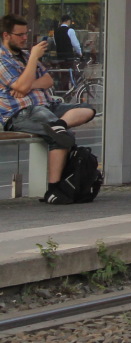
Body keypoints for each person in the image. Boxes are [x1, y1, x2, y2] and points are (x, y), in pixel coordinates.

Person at [0, 14, 96, 205]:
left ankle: (59, 125)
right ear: (6, 35)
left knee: (87, 109)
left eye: (25, 34)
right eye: (20, 35)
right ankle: (54, 190)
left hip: (48, 104)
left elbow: (47, 80)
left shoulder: (26, 56)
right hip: (22, 112)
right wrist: (34, 60)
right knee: (60, 135)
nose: (24, 38)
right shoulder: (3, 59)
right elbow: (20, 87)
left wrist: (29, 83)